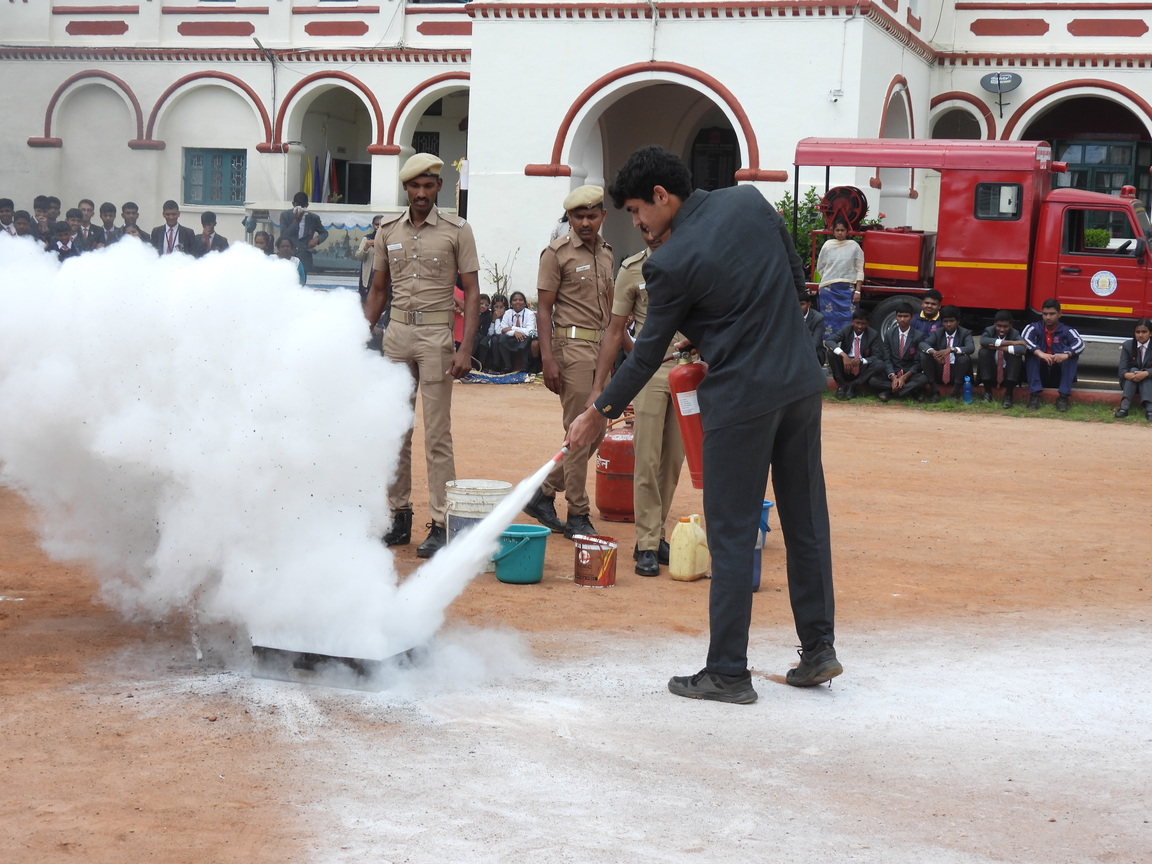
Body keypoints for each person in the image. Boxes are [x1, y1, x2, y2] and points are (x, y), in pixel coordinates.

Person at [566, 145, 838, 703]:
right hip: (799, 384)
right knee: (806, 518)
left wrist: (599, 412)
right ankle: (818, 651)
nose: (637, 223)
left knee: (732, 532)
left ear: (663, 197)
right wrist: (724, 327)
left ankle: (728, 673)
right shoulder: (749, 201)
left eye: (638, 211)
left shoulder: (668, 263)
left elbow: (645, 357)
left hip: (741, 401)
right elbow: (788, 280)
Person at [365, 153, 479, 558]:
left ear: (438, 189)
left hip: (436, 338)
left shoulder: (457, 230)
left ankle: (442, 522)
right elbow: (378, 291)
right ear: (406, 189)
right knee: (396, 430)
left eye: (429, 186)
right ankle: (398, 517)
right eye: (415, 186)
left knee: (436, 435)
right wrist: (357, 338)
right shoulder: (388, 231)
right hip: (396, 335)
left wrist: (466, 348)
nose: (421, 193)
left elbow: (473, 293)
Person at [522, 185, 614, 541]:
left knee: (598, 432)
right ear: (570, 219)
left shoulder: (607, 254)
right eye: (579, 216)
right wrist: (547, 358)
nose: (586, 222)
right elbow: (543, 309)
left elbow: (611, 312)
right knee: (581, 428)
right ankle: (578, 513)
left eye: (592, 215)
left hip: (600, 348)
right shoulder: (556, 254)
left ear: (603, 216)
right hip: (570, 346)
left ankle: (543, 491)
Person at [593, 227, 684, 577]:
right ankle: (647, 543)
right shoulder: (631, 270)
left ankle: (655, 534)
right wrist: (600, 386)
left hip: (688, 373)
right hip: (651, 371)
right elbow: (616, 330)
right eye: (643, 226)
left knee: (673, 460)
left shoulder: (691, 263)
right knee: (646, 457)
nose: (650, 232)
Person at [1022, 298, 1084, 412]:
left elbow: (1080, 343)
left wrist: (1066, 354)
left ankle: (1063, 397)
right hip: (1040, 371)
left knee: (1071, 356)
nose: (1048, 317)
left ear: (1060, 314)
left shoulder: (1067, 330)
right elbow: (1024, 340)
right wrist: (1039, 352)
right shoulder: (1033, 327)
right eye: (1045, 314)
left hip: (1058, 372)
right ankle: (1034, 396)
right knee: (1032, 354)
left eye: (1052, 314)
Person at [815, 217, 863, 341]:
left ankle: (848, 350)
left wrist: (857, 291)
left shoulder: (854, 246)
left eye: (842, 230)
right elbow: (820, 266)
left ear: (847, 231)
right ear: (833, 231)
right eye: (837, 230)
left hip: (848, 290)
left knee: (849, 320)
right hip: (829, 289)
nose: (840, 233)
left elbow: (859, 269)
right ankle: (829, 350)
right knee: (828, 321)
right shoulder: (827, 245)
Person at [875, 302, 930, 402]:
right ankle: (910, 391)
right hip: (894, 372)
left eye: (906, 316)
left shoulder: (918, 335)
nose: (902, 319)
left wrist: (904, 378)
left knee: (923, 379)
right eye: (899, 316)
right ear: (896, 317)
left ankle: (892, 392)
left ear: (912, 317)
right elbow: (887, 358)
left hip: (909, 374)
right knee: (873, 380)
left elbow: (917, 363)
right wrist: (893, 377)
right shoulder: (889, 334)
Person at [919, 304, 975, 401]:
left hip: (956, 372)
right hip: (941, 369)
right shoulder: (938, 333)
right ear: (942, 322)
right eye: (945, 321)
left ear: (958, 322)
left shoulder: (965, 333)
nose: (948, 324)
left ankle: (955, 393)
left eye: (951, 321)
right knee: (924, 355)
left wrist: (951, 349)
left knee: (963, 358)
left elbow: (970, 348)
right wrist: (935, 353)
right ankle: (934, 391)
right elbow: (923, 344)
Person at [825, 308, 883, 399]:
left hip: (861, 368)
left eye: (863, 323)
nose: (859, 326)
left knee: (879, 364)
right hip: (846, 365)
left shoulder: (873, 334)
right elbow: (829, 341)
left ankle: (853, 386)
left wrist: (861, 361)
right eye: (857, 323)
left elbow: (877, 356)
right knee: (831, 353)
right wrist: (844, 356)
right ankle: (841, 385)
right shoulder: (846, 329)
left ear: (867, 324)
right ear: (852, 322)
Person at [976, 310, 1028, 408]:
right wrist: (1012, 342)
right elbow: (983, 341)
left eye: (1005, 326)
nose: (1002, 329)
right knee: (983, 352)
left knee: (1015, 354)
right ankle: (987, 393)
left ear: (1011, 325)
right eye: (999, 326)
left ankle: (1008, 395)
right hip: (992, 373)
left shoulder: (1015, 333)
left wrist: (998, 347)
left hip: (1007, 375)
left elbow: (1022, 349)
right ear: (994, 324)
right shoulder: (989, 330)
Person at [278, 192, 329, 275]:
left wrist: (316, 239)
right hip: (289, 255)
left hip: (305, 256)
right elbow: (284, 236)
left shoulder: (313, 218)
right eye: (298, 206)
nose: (301, 209)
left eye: (303, 206)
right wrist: (296, 221)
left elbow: (324, 233)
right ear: (293, 204)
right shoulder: (285, 216)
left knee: (303, 281)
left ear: (307, 205)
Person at [1115, 318, 1152, 420]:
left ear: (1150, 333)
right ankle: (1124, 407)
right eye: (1137, 332)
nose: (1140, 335)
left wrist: (1145, 373)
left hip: (1149, 383)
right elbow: (1122, 370)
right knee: (1133, 369)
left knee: (1146, 374)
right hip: (1130, 382)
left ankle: (1150, 409)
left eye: (1144, 332)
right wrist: (1131, 375)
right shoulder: (1128, 345)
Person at [496, 291, 537, 373]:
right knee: (501, 338)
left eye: (520, 300)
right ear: (511, 304)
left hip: (524, 338)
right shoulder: (508, 313)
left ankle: (525, 367)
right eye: (515, 300)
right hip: (511, 337)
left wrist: (512, 328)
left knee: (526, 338)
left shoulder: (529, 314)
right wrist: (514, 333)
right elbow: (503, 329)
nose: (518, 302)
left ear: (525, 303)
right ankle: (508, 366)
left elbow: (530, 330)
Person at [353, 215, 383, 305]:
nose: (378, 227)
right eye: (376, 224)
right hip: (369, 276)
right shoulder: (367, 238)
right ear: (373, 225)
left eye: (381, 225)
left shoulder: (389, 239)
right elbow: (358, 257)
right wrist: (366, 247)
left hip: (383, 275)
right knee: (366, 302)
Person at [799, 292, 826, 367]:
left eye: (802, 304)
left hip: (814, 351)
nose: (798, 307)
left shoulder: (818, 318)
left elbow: (815, 343)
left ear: (809, 304)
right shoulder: (790, 316)